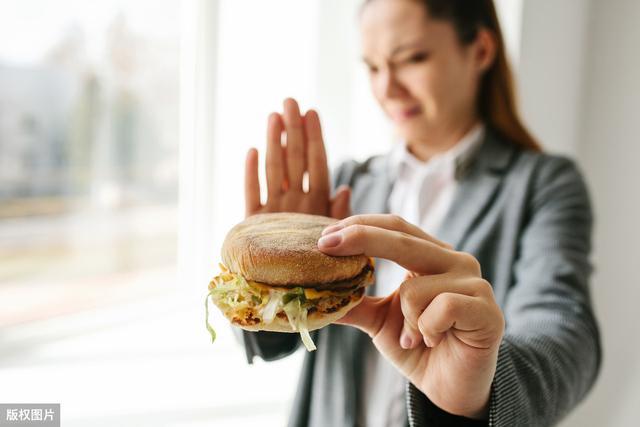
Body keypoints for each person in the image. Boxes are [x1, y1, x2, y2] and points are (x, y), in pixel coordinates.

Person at [238, 0, 601, 426]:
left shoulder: (542, 184)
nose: (387, 88)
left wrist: (479, 387)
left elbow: (566, 333)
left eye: (410, 58)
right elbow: (273, 346)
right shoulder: (344, 187)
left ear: (481, 50)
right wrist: (270, 282)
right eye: (373, 67)